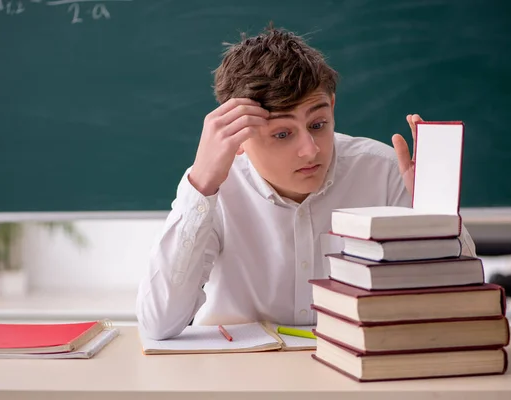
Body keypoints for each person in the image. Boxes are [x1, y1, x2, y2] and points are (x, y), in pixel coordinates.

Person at [136, 25, 477, 340]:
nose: (309, 150)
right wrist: (201, 186)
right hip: (238, 376)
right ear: (238, 137)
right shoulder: (214, 188)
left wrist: (436, 214)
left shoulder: (386, 171)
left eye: (318, 124)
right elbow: (159, 324)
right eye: (282, 133)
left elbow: (461, 309)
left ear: (332, 106)